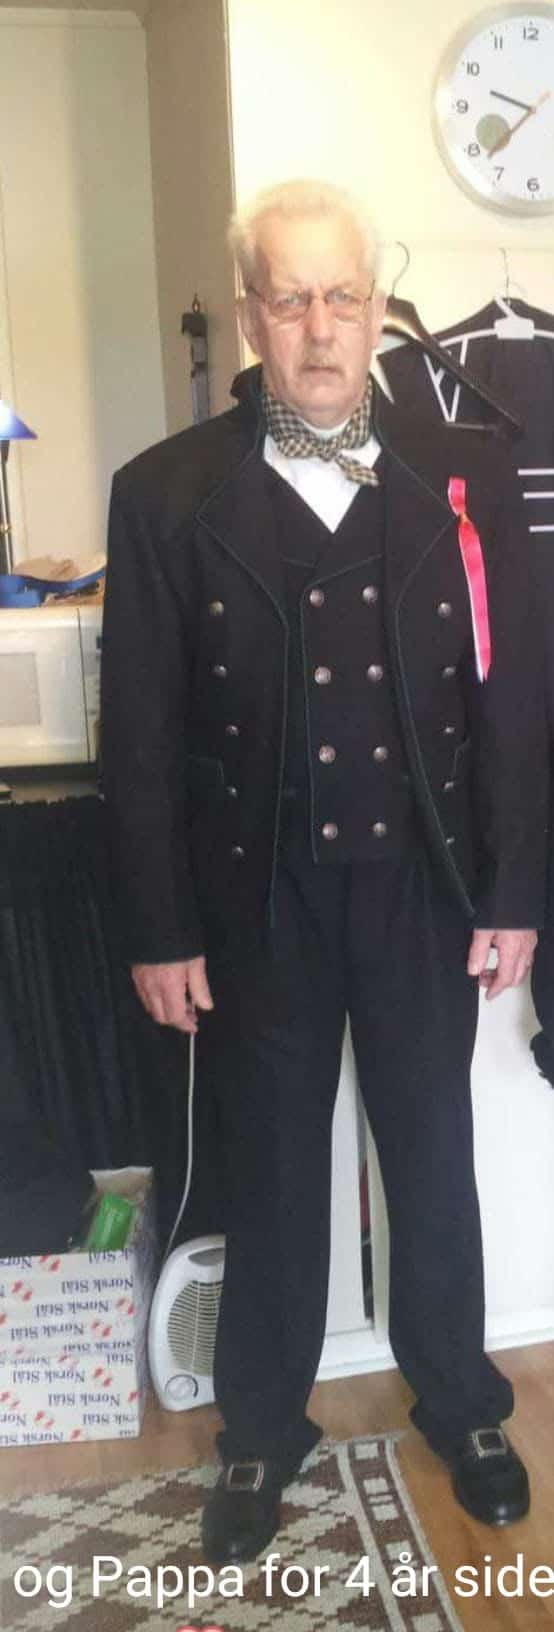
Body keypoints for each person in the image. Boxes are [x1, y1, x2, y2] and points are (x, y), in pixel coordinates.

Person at [101, 179, 546, 1563]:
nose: (317, 327)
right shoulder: (166, 491)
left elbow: (513, 696)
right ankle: (259, 1426)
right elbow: (140, 733)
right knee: (273, 1168)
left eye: (340, 296)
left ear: (375, 305)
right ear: (252, 316)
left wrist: (516, 890)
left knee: (431, 1155)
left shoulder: (463, 473)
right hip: (256, 895)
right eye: (288, 298)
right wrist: (160, 925)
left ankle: (460, 1400)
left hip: (422, 886)